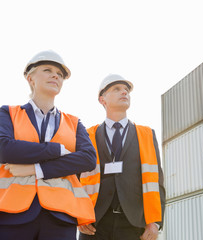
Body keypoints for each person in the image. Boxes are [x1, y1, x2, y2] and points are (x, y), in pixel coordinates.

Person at [0, 50, 97, 240]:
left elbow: (88, 159)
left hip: (60, 216)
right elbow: (4, 148)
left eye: (60, 74)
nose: (55, 75)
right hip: (13, 213)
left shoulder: (74, 122)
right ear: (30, 78)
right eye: (47, 70)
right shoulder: (7, 113)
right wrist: (57, 150)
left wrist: (36, 169)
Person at [78, 74, 165, 240]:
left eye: (126, 90)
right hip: (94, 224)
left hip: (134, 224)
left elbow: (157, 181)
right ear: (102, 99)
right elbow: (75, 179)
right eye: (117, 89)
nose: (124, 92)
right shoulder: (87, 136)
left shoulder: (146, 135)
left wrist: (155, 222)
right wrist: (77, 216)